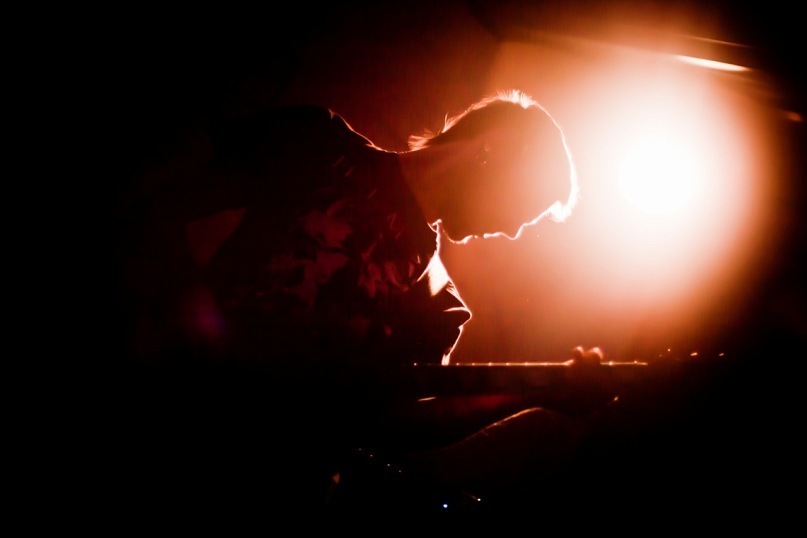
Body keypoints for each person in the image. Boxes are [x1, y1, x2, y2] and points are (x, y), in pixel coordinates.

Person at [115, 89, 580, 516]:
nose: (513, 231)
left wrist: (535, 391)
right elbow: (161, 207)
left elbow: (394, 425)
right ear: (489, 150)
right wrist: (194, 333)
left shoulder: (440, 304)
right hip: (165, 431)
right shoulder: (316, 142)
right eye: (524, 207)